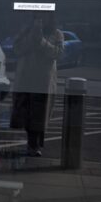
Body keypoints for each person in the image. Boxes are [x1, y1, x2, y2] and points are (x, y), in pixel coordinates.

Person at [9, 14, 64, 156]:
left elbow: (58, 53)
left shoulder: (57, 34)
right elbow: (17, 49)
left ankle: (36, 145)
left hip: (43, 82)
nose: (41, 21)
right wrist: (32, 36)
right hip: (26, 80)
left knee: (41, 114)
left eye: (44, 18)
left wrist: (42, 41)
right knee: (28, 114)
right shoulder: (26, 31)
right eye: (38, 19)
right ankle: (32, 145)